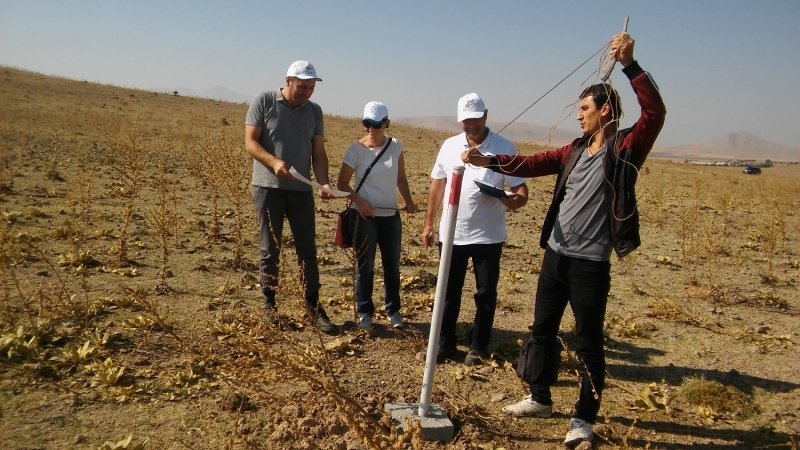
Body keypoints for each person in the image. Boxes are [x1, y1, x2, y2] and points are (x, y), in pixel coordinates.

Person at [463, 33, 666, 448]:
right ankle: (539, 397)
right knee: (541, 329)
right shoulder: (574, 149)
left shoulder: (626, 147)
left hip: (590, 264)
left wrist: (630, 65)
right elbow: (534, 163)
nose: (578, 116)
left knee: (588, 340)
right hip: (556, 255)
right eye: (578, 109)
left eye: (585, 109)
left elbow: (655, 111)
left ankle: (583, 419)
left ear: (605, 110)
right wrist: (492, 161)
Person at [422, 93, 528, 366]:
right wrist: (429, 223)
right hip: (451, 234)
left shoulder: (504, 146)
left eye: (475, 119)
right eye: (465, 120)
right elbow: (437, 185)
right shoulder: (448, 146)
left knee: (485, 294)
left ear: (486, 115)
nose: (471, 125)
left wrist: (512, 200)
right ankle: (444, 344)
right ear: (460, 120)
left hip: (488, 236)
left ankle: (477, 347)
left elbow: (521, 192)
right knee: (447, 291)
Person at [244, 60, 337, 334]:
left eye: (310, 87)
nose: (306, 92)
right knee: (270, 248)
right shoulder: (264, 101)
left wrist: (323, 181)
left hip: (300, 190)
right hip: (267, 188)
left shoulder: (314, 111)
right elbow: (251, 142)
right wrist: (273, 162)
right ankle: (269, 303)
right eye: (301, 87)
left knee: (307, 249)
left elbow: (318, 152)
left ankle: (313, 305)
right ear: (288, 80)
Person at [336, 101, 418, 331]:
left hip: (390, 215)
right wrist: (359, 201)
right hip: (363, 217)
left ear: (386, 123)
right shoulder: (355, 150)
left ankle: (393, 311)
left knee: (392, 266)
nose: (371, 128)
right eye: (366, 123)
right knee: (366, 267)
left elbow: (401, 178)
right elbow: (342, 184)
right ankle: (365, 313)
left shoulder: (395, 146)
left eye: (376, 124)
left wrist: (409, 202)